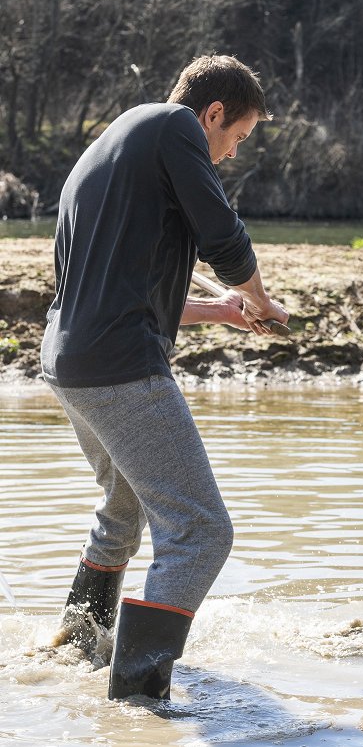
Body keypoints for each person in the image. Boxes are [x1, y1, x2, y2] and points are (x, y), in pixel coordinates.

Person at [41, 54, 289, 701]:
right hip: (120, 366)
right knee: (203, 532)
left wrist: (221, 312)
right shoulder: (176, 127)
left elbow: (121, 289)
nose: (230, 155)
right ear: (210, 114)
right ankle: (137, 701)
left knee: (123, 507)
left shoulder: (117, 142)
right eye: (234, 138)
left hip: (70, 360)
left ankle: (80, 644)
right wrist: (261, 299)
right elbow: (223, 238)